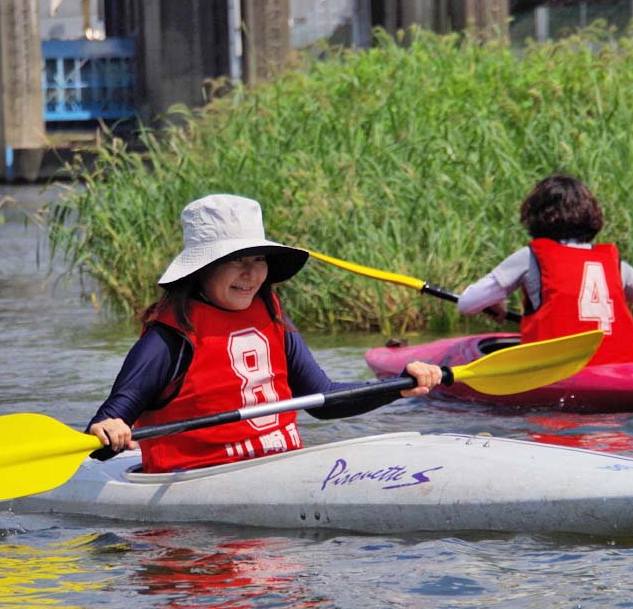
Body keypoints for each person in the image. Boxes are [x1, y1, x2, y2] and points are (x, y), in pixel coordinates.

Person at [88, 194, 443, 474]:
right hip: (196, 483)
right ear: (201, 269)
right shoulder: (167, 339)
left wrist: (398, 386)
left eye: (258, 260)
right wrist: (109, 432)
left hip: (279, 470)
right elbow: (106, 423)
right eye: (235, 261)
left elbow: (322, 398)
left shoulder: (271, 315)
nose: (251, 274)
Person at [458, 173, 633, 365]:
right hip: (620, 370)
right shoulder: (616, 265)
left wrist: (493, 302)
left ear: (534, 216)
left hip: (557, 372)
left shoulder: (531, 257)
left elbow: (467, 303)